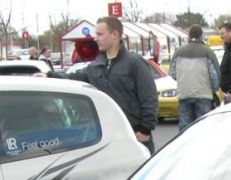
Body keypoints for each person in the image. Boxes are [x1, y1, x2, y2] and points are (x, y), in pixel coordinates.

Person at [65, 16, 158, 154]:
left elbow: (149, 96)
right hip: (107, 136)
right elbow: (73, 77)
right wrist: (47, 75)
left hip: (135, 135)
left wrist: (146, 130)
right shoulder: (96, 65)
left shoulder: (134, 63)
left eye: (100, 34)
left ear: (115, 34)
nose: (95, 38)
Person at [170, 24, 220, 132]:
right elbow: (214, 75)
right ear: (201, 36)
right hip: (203, 94)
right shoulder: (208, 52)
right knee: (203, 126)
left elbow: (173, 73)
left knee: (185, 128)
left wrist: (184, 80)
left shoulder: (178, 52)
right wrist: (213, 89)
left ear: (189, 35)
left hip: (184, 93)